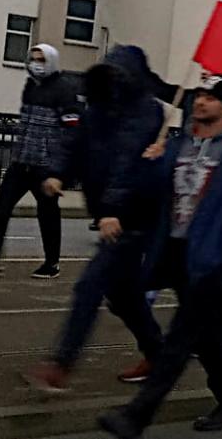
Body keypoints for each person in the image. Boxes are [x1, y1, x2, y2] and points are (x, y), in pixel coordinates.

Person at [96, 77, 222, 439]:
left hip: (210, 259)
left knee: (178, 340)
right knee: (205, 337)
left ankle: (135, 418)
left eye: (210, 98)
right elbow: (151, 192)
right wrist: (145, 168)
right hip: (173, 251)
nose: (201, 102)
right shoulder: (178, 146)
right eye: (199, 96)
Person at [26, 47, 171, 393]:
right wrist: (58, 173)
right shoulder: (100, 107)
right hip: (113, 215)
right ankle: (160, 354)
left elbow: (127, 162)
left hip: (133, 218)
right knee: (124, 298)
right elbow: (76, 143)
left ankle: (61, 365)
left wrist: (112, 211)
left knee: (90, 286)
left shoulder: (145, 112)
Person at [0, 44, 81, 280]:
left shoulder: (65, 90)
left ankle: (52, 263)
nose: (37, 64)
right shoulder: (30, 86)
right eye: (34, 59)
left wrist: (58, 172)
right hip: (22, 162)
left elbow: (72, 133)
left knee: (47, 212)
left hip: (46, 166)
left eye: (41, 59)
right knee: (1, 207)